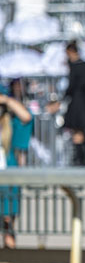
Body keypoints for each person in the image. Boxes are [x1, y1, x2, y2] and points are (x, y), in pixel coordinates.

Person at [0, 82, 34, 249]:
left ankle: (9, 242)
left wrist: (6, 100)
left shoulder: (10, 124)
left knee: (8, 216)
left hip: (8, 173)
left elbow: (26, 117)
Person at [53, 42, 85, 167]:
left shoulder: (76, 66)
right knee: (79, 132)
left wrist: (63, 98)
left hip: (78, 104)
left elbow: (72, 86)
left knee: (78, 131)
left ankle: (80, 159)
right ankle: (81, 158)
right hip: (83, 102)